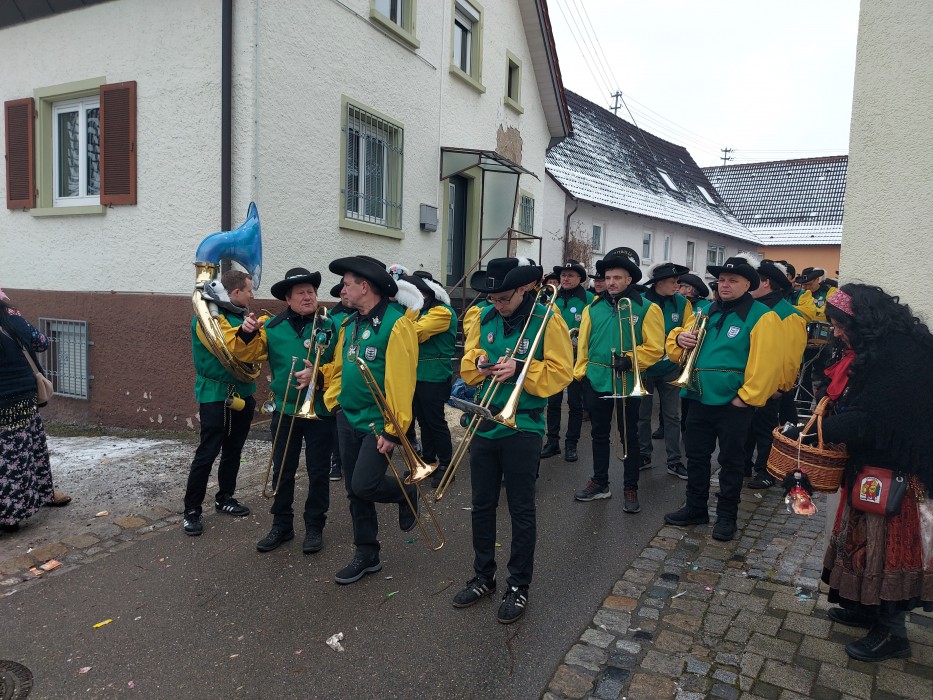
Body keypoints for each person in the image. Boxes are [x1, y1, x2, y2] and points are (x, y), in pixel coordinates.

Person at [806, 284, 932, 662]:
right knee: (863, 541)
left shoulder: (903, 355)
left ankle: (892, 633)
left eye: (841, 325)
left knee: (888, 549)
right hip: (872, 467)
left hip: (899, 472)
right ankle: (866, 608)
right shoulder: (875, 348)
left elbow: (871, 418)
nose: (837, 333)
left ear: (864, 320)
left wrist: (816, 432)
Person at [453, 257, 572, 623]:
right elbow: (469, 362)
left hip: (524, 426)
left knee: (521, 509)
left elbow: (562, 372)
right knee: (482, 505)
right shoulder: (485, 317)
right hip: (485, 421)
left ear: (523, 289)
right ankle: (483, 576)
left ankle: (519, 585)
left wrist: (521, 368)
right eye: (492, 298)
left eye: (504, 298)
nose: (498, 304)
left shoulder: (547, 319)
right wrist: (480, 365)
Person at [663, 257, 783, 542]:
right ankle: (695, 508)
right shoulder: (705, 310)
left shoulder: (762, 316)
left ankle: (727, 516)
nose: (725, 285)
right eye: (722, 280)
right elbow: (679, 348)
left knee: (731, 462)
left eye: (733, 281)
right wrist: (679, 340)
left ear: (748, 284)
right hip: (697, 396)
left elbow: (767, 364)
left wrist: (745, 399)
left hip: (733, 404)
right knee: (696, 457)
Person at [323, 255, 419, 585]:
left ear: (364, 287)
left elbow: (402, 383)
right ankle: (367, 553)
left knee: (363, 484)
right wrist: (335, 402)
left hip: (378, 424)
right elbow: (341, 368)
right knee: (354, 491)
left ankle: (406, 492)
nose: (342, 291)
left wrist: (394, 430)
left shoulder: (397, 324)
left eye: (347, 285)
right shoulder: (349, 324)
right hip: (347, 417)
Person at [235, 268, 336, 554]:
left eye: (311, 292)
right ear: (288, 299)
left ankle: (314, 526)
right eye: (300, 293)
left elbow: (341, 364)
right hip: (286, 409)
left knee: (318, 471)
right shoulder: (272, 326)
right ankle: (282, 525)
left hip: (320, 409)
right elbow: (247, 355)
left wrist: (320, 375)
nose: (308, 297)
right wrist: (245, 333)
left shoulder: (331, 324)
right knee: (282, 470)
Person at [573, 248, 664, 513]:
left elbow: (655, 347)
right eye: (608, 277)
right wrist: (581, 373)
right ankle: (600, 482)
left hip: (627, 379)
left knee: (629, 436)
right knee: (599, 434)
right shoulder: (593, 307)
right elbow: (584, 345)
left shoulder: (647, 308)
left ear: (629, 280)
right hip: (596, 378)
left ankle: (630, 486)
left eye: (617, 278)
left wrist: (632, 359)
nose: (611, 282)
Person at [183, 270, 256, 536]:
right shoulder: (206, 318)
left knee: (234, 450)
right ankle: (191, 510)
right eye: (249, 290)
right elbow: (229, 345)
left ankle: (225, 497)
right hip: (215, 394)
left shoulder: (240, 316)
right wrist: (247, 333)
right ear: (236, 292)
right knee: (208, 452)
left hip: (243, 391)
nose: (252, 295)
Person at [744, 261, 806, 489]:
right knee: (747, 428)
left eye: (753, 280)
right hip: (750, 382)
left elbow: (791, 357)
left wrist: (780, 386)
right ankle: (744, 465)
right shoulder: (753, 308)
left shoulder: (788, 314)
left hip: (771, 386)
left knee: (765, 430)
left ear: (766, 283)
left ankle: (766, 471)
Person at [0, 290, 55, 533]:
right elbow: (41, 342)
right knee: (24, 455)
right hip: (22, 399)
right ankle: (24, 507)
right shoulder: (13, 319)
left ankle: (9, 516)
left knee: (6, 460)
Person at [638, 262, 692, 479]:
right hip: (645, 367)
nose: (677, 285)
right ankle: (644, 455)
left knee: (672, 416)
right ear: (659, 283)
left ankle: (674, 460)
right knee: (642, 416)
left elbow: (689, 329)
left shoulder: (682, 303)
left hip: (670, 368)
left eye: (678, 281)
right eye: (673, 281)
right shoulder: (641, 301)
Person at [406, 270, 458, 489]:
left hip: (435, 374)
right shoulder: (416, 310)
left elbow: (412, 333)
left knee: (435, 422)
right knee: (423, 421)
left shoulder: (442, 312)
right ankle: (427, 461)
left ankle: (446, 465)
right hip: (417, 374)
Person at [542, 259, 593, 463]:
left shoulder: (589, 299)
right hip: (554, 358)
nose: (565, 278)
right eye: (563, 275)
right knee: (553, 402)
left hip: (576, 358)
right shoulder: (551, 298)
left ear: (580, 278)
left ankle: (571, 444)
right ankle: (552, 441)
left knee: (575, 403)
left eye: (570, 275)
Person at [327, 282, 354, 483]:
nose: (345, 296)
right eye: (341, 294)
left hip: (349, 372)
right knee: (336, 425)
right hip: (333, 371)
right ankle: (336, 461)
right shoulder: (331, 317)